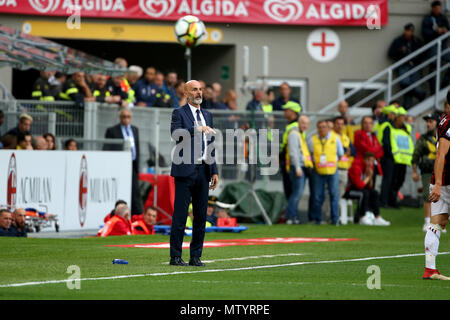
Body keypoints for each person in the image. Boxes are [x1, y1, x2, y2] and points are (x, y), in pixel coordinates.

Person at [169, 80, 219, 267]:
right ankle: (175, 256)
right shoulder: (179, 113)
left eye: (200, 89)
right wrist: (196, 129)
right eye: (194, 90)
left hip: (203, 171)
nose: (199, 93)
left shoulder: (207, 114)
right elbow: (175, 134)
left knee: (200, 217)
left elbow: (210, 145)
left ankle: (195, 256)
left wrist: (214, 170)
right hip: (185, 170)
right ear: (186, 93)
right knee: (180, 216)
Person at [423, 93, 450, 280]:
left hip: (442, 179)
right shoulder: (449, 122)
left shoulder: (444, 120)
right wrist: (438, 184)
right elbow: (441, 154)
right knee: (437, 222)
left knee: (438, 222)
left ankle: (430, 269)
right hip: (446, 180)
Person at [104, 109, 143, 216]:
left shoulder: (135, 130)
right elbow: (107, 148)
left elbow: (137, 148)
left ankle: (137, 216)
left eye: (128, 117)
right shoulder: (112, 131)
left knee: (135, 192)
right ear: (120, 117)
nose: (126, 119)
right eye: (124, 116)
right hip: (119, 165)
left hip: (132, 164)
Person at [308, 119, 344, 225]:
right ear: (317, 129)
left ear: (328, 128)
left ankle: (334, 219)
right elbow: (309, 153)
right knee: (317, 196)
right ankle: (317, 219)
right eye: (320, 127)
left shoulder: (335, 139)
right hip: (318, 171)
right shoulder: (312, 140)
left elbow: (340, 153)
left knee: (334, 195)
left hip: (332, 171)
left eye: (324, 127)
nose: (322, 129)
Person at [379, 107, 414, 208]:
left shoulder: (405, 130)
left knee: (398, 181)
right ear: (397, 118)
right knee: (388, 180)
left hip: (402, 160)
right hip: (391, 158)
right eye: (402, 117)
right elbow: (387, 143)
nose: (404, 119)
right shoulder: (389, 127)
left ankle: (392, 200)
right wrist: (391, 154)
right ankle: (384, 201)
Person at [284, 102, 312, 224]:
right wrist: (297, 168)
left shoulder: (299, 133)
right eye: (303, 123)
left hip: (300, 167)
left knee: (296, 193)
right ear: (299, 123)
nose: (305, 126)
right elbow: (293, 152)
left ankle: (292, 216)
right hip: (297, 167)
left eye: (307, 124)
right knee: (296, 193)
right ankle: (290, 216)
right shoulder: (295, 134)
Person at [412, 112, 440, 232]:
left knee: (443, 196)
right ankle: (427, 221)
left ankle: (439, 221)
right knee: (427, 195)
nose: (428, 124)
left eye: (431, 121)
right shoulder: (423, 138)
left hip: (442, 170)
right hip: (428, 170)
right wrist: (414, 171)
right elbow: (416, 155)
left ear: (437, 123)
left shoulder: (444, 137)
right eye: (427, 122)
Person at [346, 152, 390, 226]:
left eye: (372, 161)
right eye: (369, 160)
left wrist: (370, 177)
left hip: (360, 189)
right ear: (364, 160)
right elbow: (359, 185)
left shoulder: (368, 168)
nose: (370, 163)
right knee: (364, 193)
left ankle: (377, 217)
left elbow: (370, 186)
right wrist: (368, 177)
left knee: (374, 192)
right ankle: (361, 216)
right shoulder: (357, 167)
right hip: (350, 190)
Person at [388, 23, 425, 108]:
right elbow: (391, 53)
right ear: (405, 31)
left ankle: (407, 106)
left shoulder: (416, 41)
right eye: (408, 31)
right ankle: (420, 94)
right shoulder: (398, 41)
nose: (409, 33)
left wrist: (417, 60)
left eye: (411, 31)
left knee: (411, 87)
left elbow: (423, 54)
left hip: (415, 66)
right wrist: (400, 52)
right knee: (404, 83)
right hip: (403, 65)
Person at [422, 1, 450, 93]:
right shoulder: (427, 19)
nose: (438, 10)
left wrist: (444, 30)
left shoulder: (443, 18)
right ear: (433, 8)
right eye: (436, 8)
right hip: (432, 47)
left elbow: (448, 29)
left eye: (439, 8)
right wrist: (436, 31)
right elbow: (425, 32)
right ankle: (434, 91)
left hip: (443, 46)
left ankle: (444, 85)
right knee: (434, 68)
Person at [279, 101, 302, 201]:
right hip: (288, 161)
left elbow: (291, 147)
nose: (284, 112)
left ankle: (291, 215)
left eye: (286, 110)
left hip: (291, 163)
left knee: (291, 191)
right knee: (289, 190)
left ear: (293, 112)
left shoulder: (295, 127)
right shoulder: (291, 125)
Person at [333, 116, 355, 218]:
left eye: (342, 124)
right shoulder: (332, 136)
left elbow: (353, 151)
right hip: (335, 169)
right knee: (333, 194)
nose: (340, 126)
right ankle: (331, 215)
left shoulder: (346, 137)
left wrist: (347, 150)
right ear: (334, 124)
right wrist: (345, 149)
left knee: (340, 194)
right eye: (338, 123)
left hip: (345, 168)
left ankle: (336, 216)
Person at [354, 116, 384, 186]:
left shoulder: (373, 135)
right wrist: (376, 151)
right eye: (365, 123)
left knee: (375, 188)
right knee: (366, 187)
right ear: (362, 124)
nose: (368, 125)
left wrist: (374, 151)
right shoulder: (359, 134)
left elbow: (381, 152)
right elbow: (366, 150)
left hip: (375, 165)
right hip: (363, 165)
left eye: (370, 123)